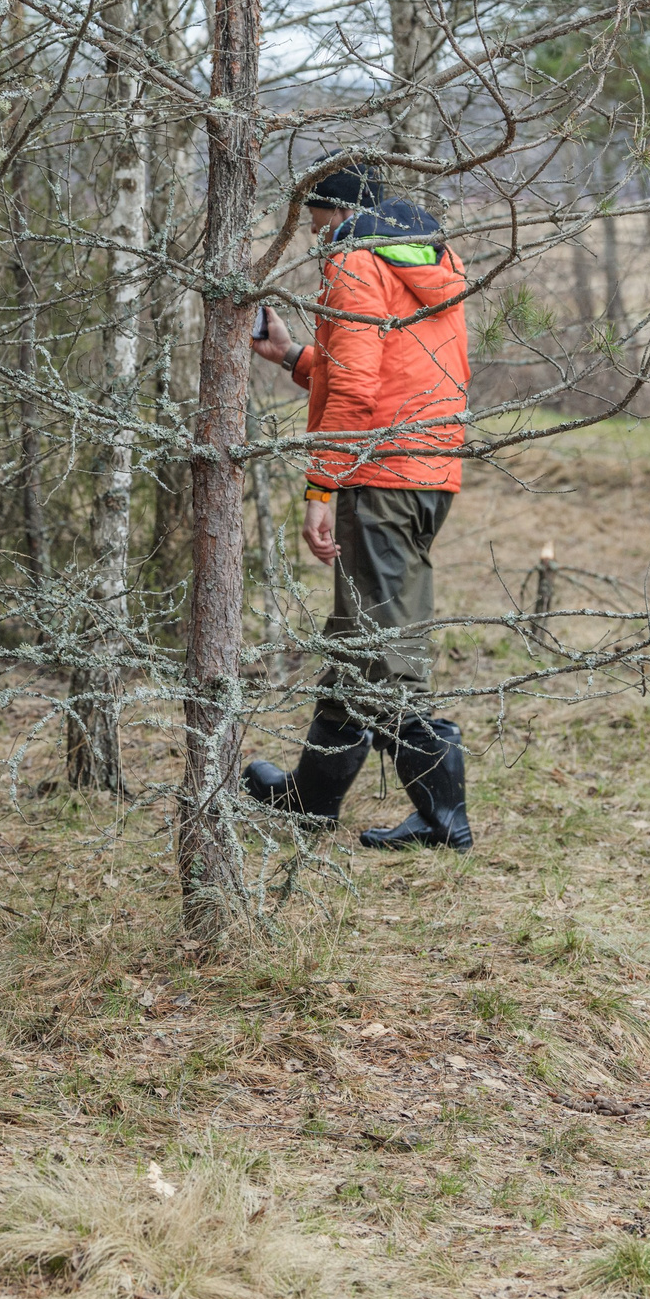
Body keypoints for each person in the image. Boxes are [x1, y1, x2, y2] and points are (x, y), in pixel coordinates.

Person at [240, 162, 474, 850]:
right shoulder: (429, 259)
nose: (318, 247)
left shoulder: (355, 261)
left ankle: (443, 821)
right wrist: (292, 355)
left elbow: (355, 395)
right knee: (357, 641)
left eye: (319, 231)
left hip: (380, 476)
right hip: (427, 473)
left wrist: (321, 488)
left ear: (341, 216)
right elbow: (387, 370)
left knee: (385, 652)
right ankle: (309, 798)